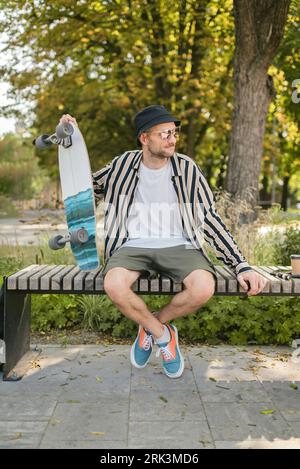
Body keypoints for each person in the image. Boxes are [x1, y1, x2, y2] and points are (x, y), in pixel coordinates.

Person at [60, 106, 266, 379]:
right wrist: (71, 140)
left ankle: (151, 326)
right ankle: (162, 335)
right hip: (130, 245)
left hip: (180, 246)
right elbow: (83, 187)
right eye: (165, 133)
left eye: (174, 133)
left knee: (203, 287)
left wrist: (241, 265)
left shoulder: (187, 169)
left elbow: (210, 220)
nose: (172, 139)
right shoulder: (122, 164)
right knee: (113, 284)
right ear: (144, 138)